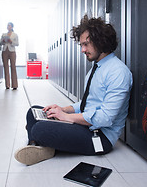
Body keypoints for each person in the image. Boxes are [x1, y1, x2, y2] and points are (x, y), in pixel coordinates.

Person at [14, 15, 133, 165]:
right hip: (85, 126)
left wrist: (66, 117)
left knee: (39, 129)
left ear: (101, 40)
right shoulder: (95, 69)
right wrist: (62, 109)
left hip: (99, 136)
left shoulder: (118, 72)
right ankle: (39, 146)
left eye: (86, 44)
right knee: (34, 112)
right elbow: (86, 104)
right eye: (81, 45)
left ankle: (38, 143)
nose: (83, 50)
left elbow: (105, 118)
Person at [0, 22, 19, 90]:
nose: (8, 26)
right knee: (6, 67)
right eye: (7, 25)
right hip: (5, 51)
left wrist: (11, 42)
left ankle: (14, 85)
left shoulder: (15, 35)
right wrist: (3, 41)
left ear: (12, 27)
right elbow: (1, 43)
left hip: (12, 51)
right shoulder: (4, 34)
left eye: (9, 25)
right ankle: (7, 85)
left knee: (13, 67)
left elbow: (17, 44)